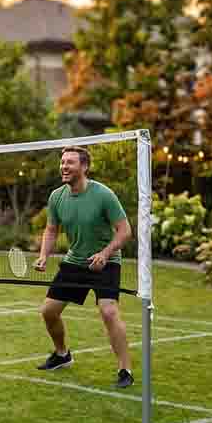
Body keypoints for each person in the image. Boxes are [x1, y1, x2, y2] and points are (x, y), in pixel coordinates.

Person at [33, 146, 134, 389]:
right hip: (75, 261)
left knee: (109, 312)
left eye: (70, 162)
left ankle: (125, 369)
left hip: (105, 262)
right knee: (48, 312)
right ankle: (62, 354)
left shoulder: (103, 195)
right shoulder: (57, 196)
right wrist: (43, 255)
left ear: (84, 167)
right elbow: (51, 229)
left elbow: (125, 231)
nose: (64, 167)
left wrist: (105, 254)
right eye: (62, 162)